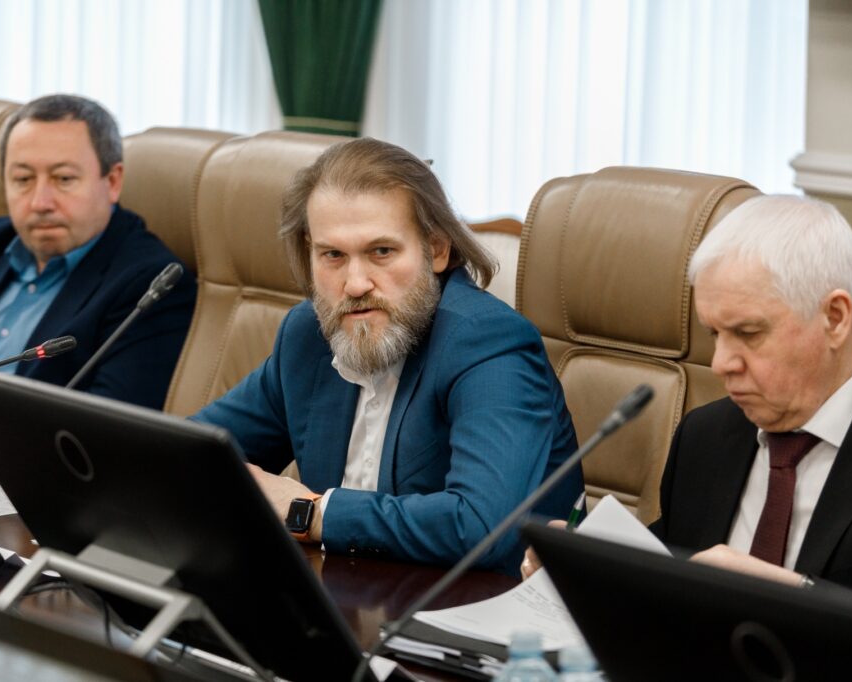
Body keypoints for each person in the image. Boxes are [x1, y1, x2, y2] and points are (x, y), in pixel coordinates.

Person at [191, 137, 583, 573]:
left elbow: (479, 526)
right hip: (341, 594)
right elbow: (191, 453)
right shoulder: (308, 335)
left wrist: (311, 512)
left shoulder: (488, 342)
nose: (355, 284)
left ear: (437, 248)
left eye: (381, 252)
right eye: (333, 255)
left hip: (472, 605)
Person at [523, 195, 852, 596]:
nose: (720, 363)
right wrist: (587, 570)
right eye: (715, 334)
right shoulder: (705, 436)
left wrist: (797, 593)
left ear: (835, 318)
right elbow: (666, 576)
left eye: (748, 333)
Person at [0, 94, 195, 426]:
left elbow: (107, 427)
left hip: (13, 458)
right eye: (23, 180)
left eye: (63, 179)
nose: (40, 202)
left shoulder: (149, 284)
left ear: (112, 182)